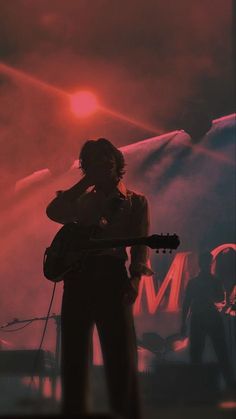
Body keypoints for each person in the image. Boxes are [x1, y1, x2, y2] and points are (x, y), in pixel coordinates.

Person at [46, 138, 153, 418]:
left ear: (117, 163)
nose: (101, 165)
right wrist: (85, 182)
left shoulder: (135, 201)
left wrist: (135, 280)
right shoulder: (83, 199)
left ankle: (126, 411)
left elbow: (141, 244)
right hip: (78, 277)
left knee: (120, 354)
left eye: (106, 160)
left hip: (111, 275)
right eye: (93, 161)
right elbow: (53, 211)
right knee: (74, 355)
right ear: (87, 166)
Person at [180, 251, 233, 388]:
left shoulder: (195, 282)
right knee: (219, 352)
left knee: (198, 353)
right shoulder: (214, 281)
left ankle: (197, 385)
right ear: (210, 263)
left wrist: (183, 323)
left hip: (200, 317)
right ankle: (227, 383)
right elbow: (220, 299)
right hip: (209, 317)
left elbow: (187, 304)